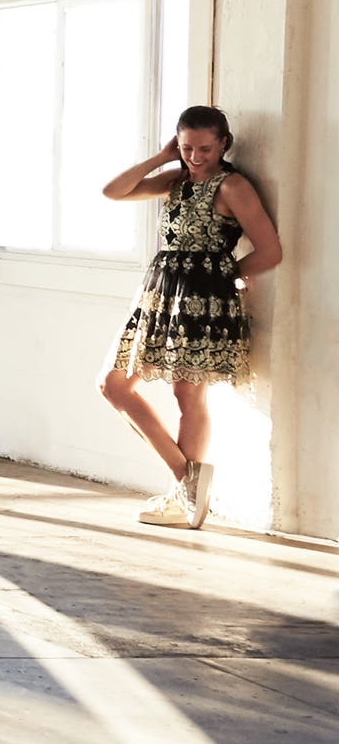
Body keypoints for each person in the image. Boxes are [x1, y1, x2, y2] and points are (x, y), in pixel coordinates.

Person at [98, 105, 280, 529]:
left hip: (203, 297)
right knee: (113, 385)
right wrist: (161, 158)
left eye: (205, 148)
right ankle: (188, 484)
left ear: (224, 144)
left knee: (187, 396)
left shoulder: (232, 186)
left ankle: (184, 498)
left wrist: (226, 276)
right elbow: (113, 191)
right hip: (161, 294)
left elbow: (271, 250)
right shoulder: (175, 178)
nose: (195, 156)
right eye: (186, 148)